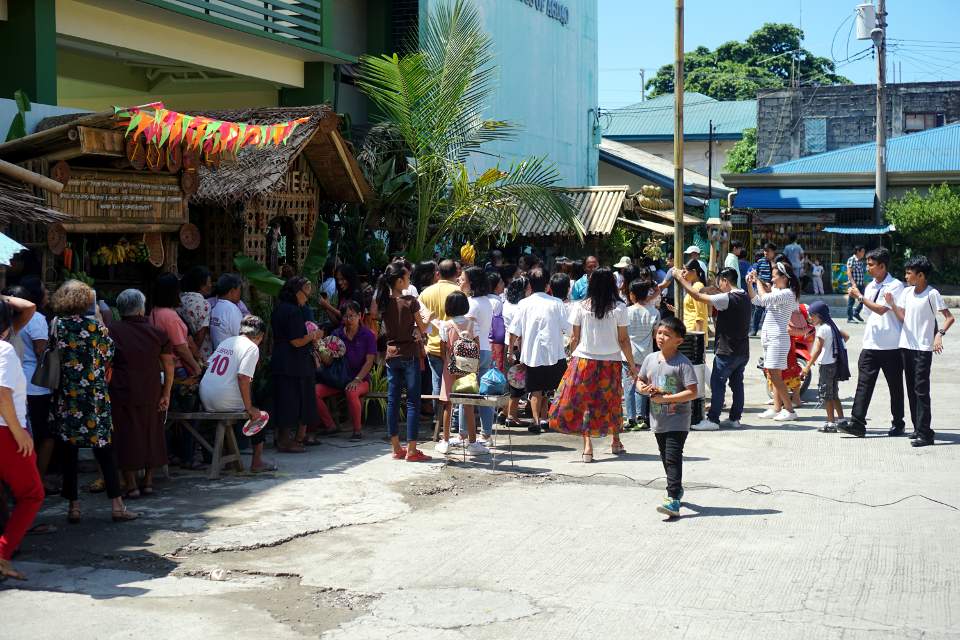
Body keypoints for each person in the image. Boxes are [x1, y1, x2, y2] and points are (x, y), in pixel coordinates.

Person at [49, 280, 137, 524]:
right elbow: (110, 353)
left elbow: (52, 352)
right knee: (105, 451)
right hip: (95, 397)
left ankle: (73, 507)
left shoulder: (57, 325)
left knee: (69, 452)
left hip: (68, 395)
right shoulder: (95, 326)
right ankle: (117, 506)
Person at [548, 268, 634, 462]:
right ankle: (616, 441)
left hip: (584, 361)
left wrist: (570, 358)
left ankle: (588, 447)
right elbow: (624, 340)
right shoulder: (620, 308)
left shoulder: (580, 306)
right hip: (610, 362)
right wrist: (632, 365)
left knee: (585, 403)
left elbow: (574, 337)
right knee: (611, 401)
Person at [108, 289, 175, 497]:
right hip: (151, 388)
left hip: (121, 389)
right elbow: (168, 365)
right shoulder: (157, 333)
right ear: (141, 308)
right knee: (151, 431)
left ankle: (130, 484)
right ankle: (147, 481)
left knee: (125, 433)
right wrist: (167, 392)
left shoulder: (111, 331)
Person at [885, 256, 955, 447]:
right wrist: (892, 304)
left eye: (909, 273)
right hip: (906, 346)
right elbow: (903, 318)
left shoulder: (932, 294)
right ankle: (918, 429)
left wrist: (939, 334)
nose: (906, 276)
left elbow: (949, 318)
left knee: (921, 391)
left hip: (923, 348)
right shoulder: (907, 292)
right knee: (911, 390)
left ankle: (926, 434)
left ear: (921, 275)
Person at [837, 248, 906, 438]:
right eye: (867, 264)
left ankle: (898, 423)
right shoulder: (870, 287)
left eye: (871, 265)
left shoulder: (895, 285)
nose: (867, 268)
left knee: (895, 387)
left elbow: (882, 310)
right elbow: (869, 314)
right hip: (871, 344)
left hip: (891, 345)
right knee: (864, 385)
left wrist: (859, 297)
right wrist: (862, 296)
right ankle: (857, 423)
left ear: (882, 266)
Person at [637, 316, 699, 518]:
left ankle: (672, 499)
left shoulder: (683, 363)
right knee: (665, 457)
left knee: (672, 457)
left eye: (667, 334)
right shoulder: (650, 359)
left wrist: (667, 399)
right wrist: (644, 389)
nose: (661, 337)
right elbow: (640, 381)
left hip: (678, 420)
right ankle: (677, 488)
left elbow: (692, 392)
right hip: (657, 419)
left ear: (679, 341)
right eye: (659, 333)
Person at [677, 266, 751, 431]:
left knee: (718, 384)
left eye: (720, 283)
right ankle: (734, 419)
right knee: (737, 385)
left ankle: (713, 420)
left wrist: (680, 279)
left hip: (727, 351)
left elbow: (697, 296)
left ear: (725, 281)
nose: (719, 287)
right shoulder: (745, 296)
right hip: (742, 351)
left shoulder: (727, 298)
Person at [0, 294, 42, 580]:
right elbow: (2, 393)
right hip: (6, 431)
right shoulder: (4, 350)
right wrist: (19, 434)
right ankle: (2, 555)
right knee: (32, 494)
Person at [199, 315, 272, 471]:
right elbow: (243, 378)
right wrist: (250, 408)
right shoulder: (252, 347)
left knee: (252, 404)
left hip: (205, 396)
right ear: (260, 336)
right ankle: (257, 462)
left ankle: (231, 459)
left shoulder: (227, 341)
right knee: (261, 412)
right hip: (223, 399)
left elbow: (208, 365)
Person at [377, 263, 431, 462]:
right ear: (399, 280)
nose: (409, 281)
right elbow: (423, 326)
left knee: (393, 401)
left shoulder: (383, 302)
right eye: (407, 278)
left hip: (392, 354)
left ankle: (396, 448)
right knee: (412, 402)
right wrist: (429, 317)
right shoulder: (410, 301)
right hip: (409, 353)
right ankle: (412, 449)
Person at [507, 268, 569, 434]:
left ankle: (536, 421)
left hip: (531, 354)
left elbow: (514, 331)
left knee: (535, 390)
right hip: (555, 353)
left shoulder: (524, 304)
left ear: (530, 285)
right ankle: (550, 419)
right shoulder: (557, 303)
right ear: (548, 285)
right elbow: (567, 328)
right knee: (557, 389)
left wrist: (509, 352)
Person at [13, 278, 56, 492]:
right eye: (44, 291)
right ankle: (37, 480)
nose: (48, 294)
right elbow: (41, 349)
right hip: (35, 385)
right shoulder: (37, 318)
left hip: (17, 383)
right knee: (44, 436)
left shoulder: (10, 318)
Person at [271, 277, 323, 452]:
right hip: (292, 362)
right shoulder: (293, 311)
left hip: (281, 359)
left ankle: (282, 438)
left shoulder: (279, 308)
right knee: (290, 401)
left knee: (284, 399)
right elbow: (296, 341)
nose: (307, 297)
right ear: (296, 292)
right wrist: (314, 335)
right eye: (305, 292)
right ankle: (286, 441)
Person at [746, 261, 800, 422]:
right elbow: (757, 300)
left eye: (775, 276)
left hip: (778, 339)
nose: (773, 279)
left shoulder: (788, 294)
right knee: (774, 374)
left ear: (784, 277)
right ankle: (777, 408)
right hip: (770, 339)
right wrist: (751, 284)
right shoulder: (778, 291)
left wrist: (757, 281)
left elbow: (765, 297)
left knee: (775, 374)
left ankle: (789, 410)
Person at [314, 303, 376, 441]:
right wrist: (319, 346)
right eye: (346, 316)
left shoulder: (367, 334)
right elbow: (328, 361)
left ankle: (357, 431)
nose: (349, 319)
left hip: (361, 379)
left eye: (352, 316)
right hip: (339, 379)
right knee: (314, 392)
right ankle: (330, 425)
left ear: (360, 316)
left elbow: (369, 361)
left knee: (351, 391)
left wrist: (357, 379)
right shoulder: (337, 334)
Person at [452, 266, 494, 449]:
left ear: (471, 282)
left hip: (472, 351)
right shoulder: (487, 301)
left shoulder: (471, 303)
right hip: (486, 349)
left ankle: (463, 434)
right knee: (484, 395)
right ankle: (486, 433)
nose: (459, 281)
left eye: (462, 279)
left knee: (465, 392)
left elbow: (465, 329)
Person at [801, 301, 850, 433]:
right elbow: (846, 336)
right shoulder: (832, 325)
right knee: (834, 394)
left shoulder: (822, 329)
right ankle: (842, 420)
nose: (810, 318)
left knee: (826, 396)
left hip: (826, 366)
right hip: (834, 364)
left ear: (819, 316)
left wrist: (807, 367)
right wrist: (834, 348)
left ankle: (831, 423)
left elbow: (816, 350)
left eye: (811, 316)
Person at [419, 259, 460, 417]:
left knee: (437, 384)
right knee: (456, 383)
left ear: (438, 274)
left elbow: (420, 320)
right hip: (455, 346)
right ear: (456, 273)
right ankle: (454, 420)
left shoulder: (426, 293)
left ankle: (438, 420)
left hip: (433, 345)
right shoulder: (459, 292)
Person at [622, 280, 660, 432]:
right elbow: (655, 336)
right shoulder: (655, 312)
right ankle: (641, 417)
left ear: (631, 295)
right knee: (642, 385)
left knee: (629, 386)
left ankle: (630, 418)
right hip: (647, 355)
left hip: (628, 354)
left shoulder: (627, 312)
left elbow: (622, 336)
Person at [501, 275, 529, 428]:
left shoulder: (506, 304)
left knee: (509, 381)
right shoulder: (520, 307)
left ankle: (505, 412)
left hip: (508, 345)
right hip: (517, 347)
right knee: (517, 383)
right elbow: (518, 332)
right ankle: (511, 415)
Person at [179, 266, 214, 362]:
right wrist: (194, 357)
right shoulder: (204, 304)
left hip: (180, 350)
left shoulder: (180, 299)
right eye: (209, 282)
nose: (211, 285)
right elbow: (200, 334)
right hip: (200, 353)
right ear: (201, 285)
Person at [209, 273, 244, 350]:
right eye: (239, 290)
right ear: (232, 291)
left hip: (220, 356)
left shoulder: (215, 308)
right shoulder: (232, 309)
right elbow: (242, 337)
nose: (240, 293)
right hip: (232, 356)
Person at [750, 243, 777, 336]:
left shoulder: (776, 263)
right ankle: (754, 330)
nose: (765, 253)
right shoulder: (760, 261)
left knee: (769, 311)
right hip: (760, 288)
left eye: (768, 251)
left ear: (773, 252)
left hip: (772, 290)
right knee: (758, 309)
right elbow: (755, 274)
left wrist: (772, 285)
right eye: (764, 251)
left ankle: (767, 331)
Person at [680, 259, 709, 335]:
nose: (683, 275)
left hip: (693, 331)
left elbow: (700, 315)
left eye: (684, 271)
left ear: (693, 271)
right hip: (689, 329)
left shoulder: (697, 287)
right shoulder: (693, 287)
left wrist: (698, 339)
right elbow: (691, 309)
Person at [846, 246, 867, 323]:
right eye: (863, 251)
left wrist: (864, 283)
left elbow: (860, 273)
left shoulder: (860, 261)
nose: (863, 253)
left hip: (861, 284)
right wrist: (853, 284)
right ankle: (850, 318)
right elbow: (849, 272)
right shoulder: (852, 259)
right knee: (851, 301)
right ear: (858, 251)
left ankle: (856, 312)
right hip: (854, 284)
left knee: (863, 299)